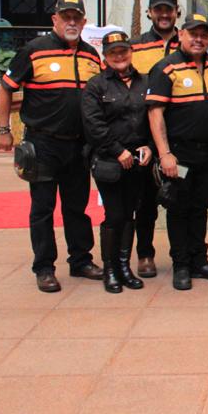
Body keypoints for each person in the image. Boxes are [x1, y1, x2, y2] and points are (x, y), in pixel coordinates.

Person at [0, 0, 104, 293]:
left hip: (78, 145)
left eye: (76, 17)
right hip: (43, 143)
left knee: (77, 207)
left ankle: (81, 260)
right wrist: (3, 129)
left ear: (83, 21)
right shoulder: (34, 51)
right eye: (65, 16)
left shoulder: (91, 55)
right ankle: (44, 268)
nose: (71, 22)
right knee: (43, 208)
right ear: (55, 19)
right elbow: (5, 88)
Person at [146, 13, 208, 290]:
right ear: (181, 34)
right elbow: (155, 114)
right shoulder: (165, 68)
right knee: (178, 208)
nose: (199, 39)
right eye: (193, 34)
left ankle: (199, 261)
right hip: (178, 153)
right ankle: (181, 264)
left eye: (204, 35)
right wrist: (165, 154)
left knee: (200, 207)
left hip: (206, 150)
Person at [81, 30, 152, 293]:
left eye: (123, 51)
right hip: (109, 160)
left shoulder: (145, 82)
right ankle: (110, 269)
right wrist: (118, 150)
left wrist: (150, 145)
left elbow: (155, 118)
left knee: (130, 213)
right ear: (105, 57)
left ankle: (124, 267)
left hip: (138, 160)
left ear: (131, 52)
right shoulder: (96, 85)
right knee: (114, 214)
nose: (119, 56)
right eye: (113, 52)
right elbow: (93, 124)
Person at [128, 0, 183, 278]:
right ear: (149, 13)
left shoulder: (187, 42)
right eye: (158, 9)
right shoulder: (134, 47)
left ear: (177, 12)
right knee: (145, 200)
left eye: (168, 9)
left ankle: (183, 257)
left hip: (180, 132)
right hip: (143, 133)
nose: (163, 14)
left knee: (180, 200)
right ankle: (145, 254)